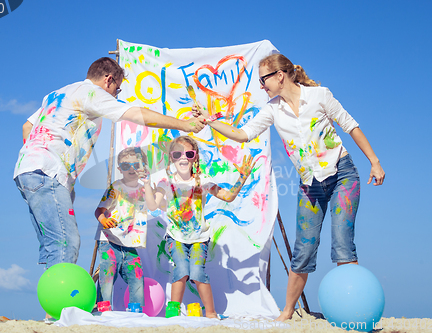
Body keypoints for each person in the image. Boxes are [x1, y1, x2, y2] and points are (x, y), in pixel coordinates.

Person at [193, 53, 385, 321]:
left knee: (343, 242)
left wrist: (374, 163)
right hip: (310, 184)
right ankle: (286, 313)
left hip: (342, 174)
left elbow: (350, 125)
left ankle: (354, 309)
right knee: (304, 249)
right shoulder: (272, 109)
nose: (262, 86)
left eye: (264, 79)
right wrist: (210, 120)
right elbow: (243, 134)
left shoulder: (319, 96)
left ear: (279, 76)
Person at [14, 57, 205, 269]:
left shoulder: (56, 94)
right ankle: (63, 303)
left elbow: (26, 127)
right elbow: (135, 114)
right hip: (47, 172)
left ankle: (52, 296)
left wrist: (37, 156)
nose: (115, 95)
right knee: (67, 243)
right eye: (118, 89)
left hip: (26, 171)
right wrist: (184, 125)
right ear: (108, 79)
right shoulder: (91, 93)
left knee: (52, 244)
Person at [143, 135, 256, 318]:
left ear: (195, 157)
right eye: (178, 154)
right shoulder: (165, 182)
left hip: (199, 239)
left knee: (196, 272)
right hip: (175, 236)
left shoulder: (202, 181)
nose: (183, 158)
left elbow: (228, 197)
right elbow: (152, 206)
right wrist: (148, 185)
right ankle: (172, 313)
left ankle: (210, 313)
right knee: (180, 269)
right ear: (171, 157)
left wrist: (242, 177)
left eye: (188, 153)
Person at [94, 147, 151, 310]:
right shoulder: (116, 187)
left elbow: (155, 203)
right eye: (126, 166)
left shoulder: (144, 190)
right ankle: (102, 310)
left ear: (143, 167)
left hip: (129, 244)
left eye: (136, 165)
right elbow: (99, 210)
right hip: (109, 240)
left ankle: (136, 313)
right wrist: (104, 219)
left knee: (137, 277)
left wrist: (148, 183)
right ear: (120, 169)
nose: (131, 169)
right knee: (107, 277)